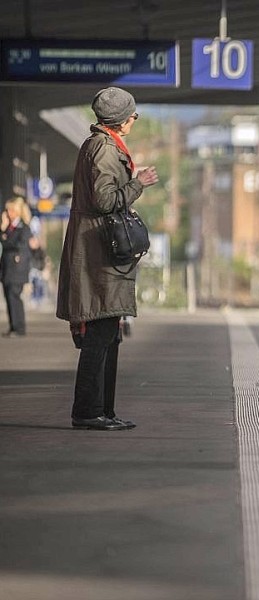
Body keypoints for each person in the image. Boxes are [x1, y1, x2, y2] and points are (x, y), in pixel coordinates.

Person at [57, 87, 159, 431]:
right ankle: (88, 412)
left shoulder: (102, 145)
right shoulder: (103, 147)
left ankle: (104, 410)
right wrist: (138, 183)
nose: (134, 120)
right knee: (100, 332)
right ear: (120, 119)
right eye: (132, 115)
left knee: (109, 331)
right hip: (98, 253)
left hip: (101, 249)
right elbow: (103, 200)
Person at [0, 197, 33, 337]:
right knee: (8, 297)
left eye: (11, 210)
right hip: (7, 268)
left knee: (15, 297)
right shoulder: (8, 227)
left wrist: (4, 235)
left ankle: (19, 327)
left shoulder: (23, 227)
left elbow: (15, 245)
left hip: (17, 270)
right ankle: (13, 326)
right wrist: (3, 230)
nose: (8, 213)